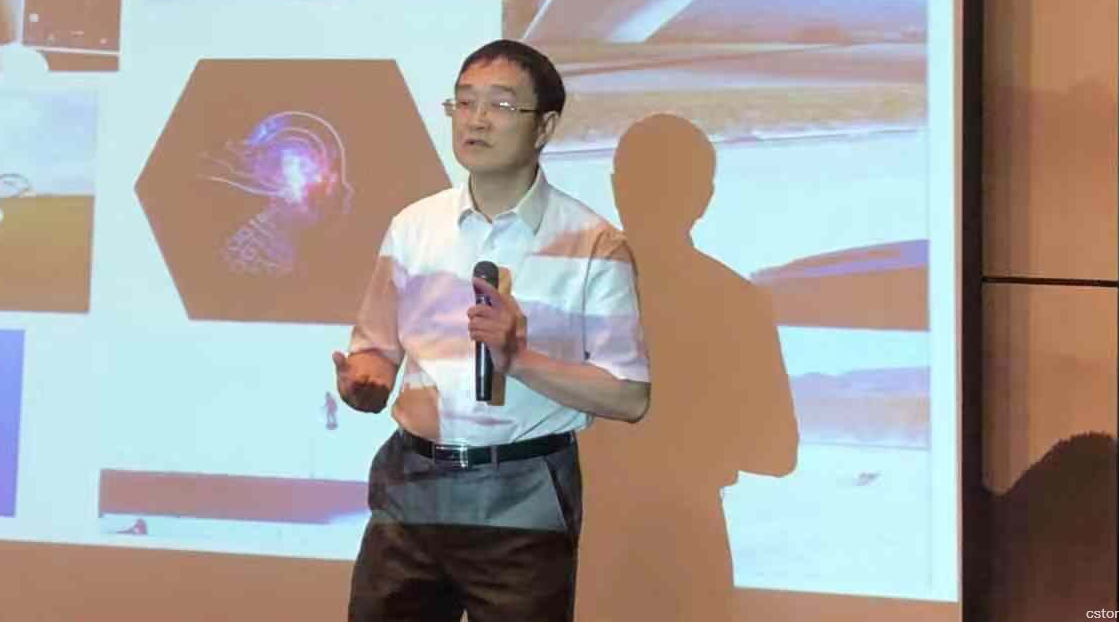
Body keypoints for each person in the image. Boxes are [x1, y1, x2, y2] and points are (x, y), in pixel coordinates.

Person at [332, 39, 650, 622]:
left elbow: (629, 397)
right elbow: (375, 351)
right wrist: (365, 384)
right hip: (411, 487)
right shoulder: (414, 227)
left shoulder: (593, 244)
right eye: (464, 101)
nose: (475, 119)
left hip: (523, 495)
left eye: (500, 105)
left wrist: (519, 360)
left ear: (544, 126)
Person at [579, 113, 797, 622]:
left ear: (616, 188)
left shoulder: (561, 295)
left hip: (591, 549)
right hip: (688, 549)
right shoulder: (737, 303)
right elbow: (776, 451)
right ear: (704, 198)